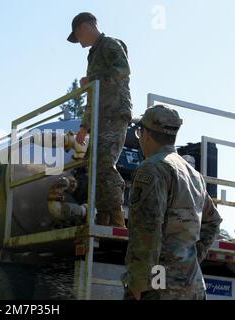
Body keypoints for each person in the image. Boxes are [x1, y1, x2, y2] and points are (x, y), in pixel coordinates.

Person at [122, 105, 222, 300]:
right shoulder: (194, 175)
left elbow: (147, 229)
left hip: (158, 288)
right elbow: (213, 222)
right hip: (192, 286)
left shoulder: (152, 168)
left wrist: (140, 281)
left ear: (146, 135)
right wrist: (188, 260)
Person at [67, 12, 132, 227]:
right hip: (100, 117)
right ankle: (105, 217)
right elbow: (92, 95)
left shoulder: (110, 44)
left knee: (104, 166)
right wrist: (85, 126)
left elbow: (123, 70)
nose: (79, 44)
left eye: (78, 37)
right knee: (96, 169)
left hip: (114, 114)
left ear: (84, 28)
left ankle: (116, 219)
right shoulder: (94, 54)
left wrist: (91, 79)